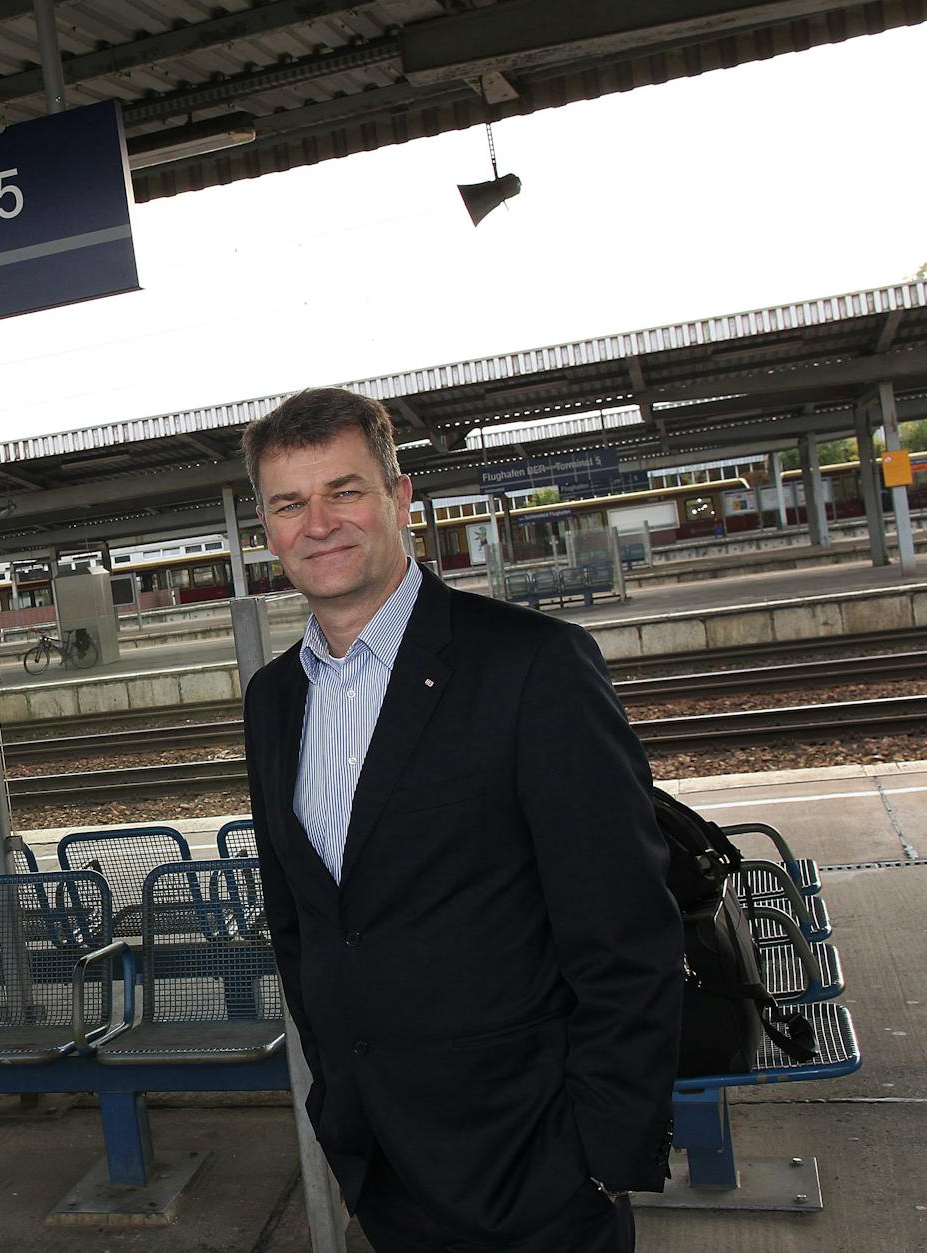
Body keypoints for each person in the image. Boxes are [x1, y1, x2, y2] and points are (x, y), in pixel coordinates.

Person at [238, 388, 680, 1252]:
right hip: (381, 1160)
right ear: (267, 529)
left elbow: (626, 931)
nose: (318, 522)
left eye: (346, 491)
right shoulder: (273, 699)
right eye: (290, 502)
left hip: (535, 1166)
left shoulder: (532, 666)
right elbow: (301, 923)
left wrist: (600, 1156)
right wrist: (339, 1095)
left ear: (402, 500)